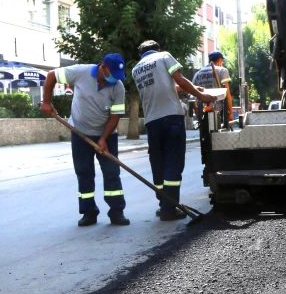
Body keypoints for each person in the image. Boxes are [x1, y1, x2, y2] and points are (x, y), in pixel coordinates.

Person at [40, 54, 130, 226]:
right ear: (103, 67)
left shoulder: (118, 87)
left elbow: (116, 114)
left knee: (112, 173)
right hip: (80, 133)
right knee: (84, 173)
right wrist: (46, 102)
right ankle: (89, 212)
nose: (115, 79)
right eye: (112, 74)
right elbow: (52, 76)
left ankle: (116, 212)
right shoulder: (81, 72)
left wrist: (103, 138)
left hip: (107, 135)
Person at [131, 40, 216, 220]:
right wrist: (202, 95)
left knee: (159, 164)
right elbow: (179, 79)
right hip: (171, 118)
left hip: (152, 121)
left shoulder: (136, 68)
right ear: (157, 49)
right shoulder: (164, 56)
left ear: (141, 54)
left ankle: (164, 205)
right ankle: (169, 209)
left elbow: (164, 86)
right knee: (173, 163)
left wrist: (190, 89)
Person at [192, 51, 232, 128]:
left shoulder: (197, 74)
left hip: (203, 111)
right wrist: (230, 113)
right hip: (219, 111)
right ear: (220, 60)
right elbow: (227, 93)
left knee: (205, 137)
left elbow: (192, 94)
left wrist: (196, 111)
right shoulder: (222, 71)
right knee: (219, 137)